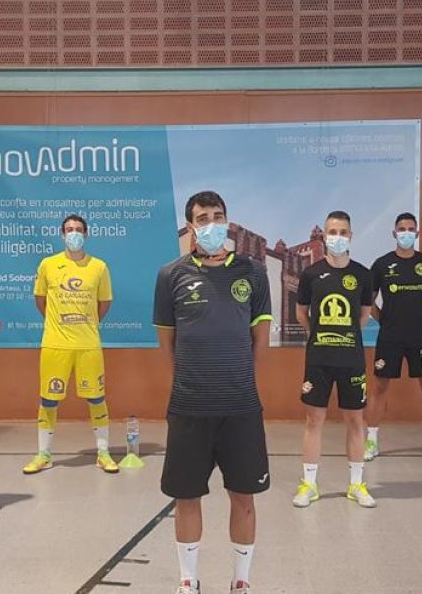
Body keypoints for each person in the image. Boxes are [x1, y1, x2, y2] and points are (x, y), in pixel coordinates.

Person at [154, 191, 272, 594]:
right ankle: (189, 581)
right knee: (186, 498)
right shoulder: (171, 274)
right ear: (190, 226)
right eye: (202, 218)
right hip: (189, 407)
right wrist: (191, 378)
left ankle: (241, 582)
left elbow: (260, 339)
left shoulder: (254, 272)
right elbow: (168, 342)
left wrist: (236, 376)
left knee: (244, 498)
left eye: (217, 216)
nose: (211, 224)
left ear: (228, 221)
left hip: (240, 407)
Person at [292, 211, 376, 509]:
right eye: (332, 231)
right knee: (314, 420)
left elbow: (364, 314)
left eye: (342, 232)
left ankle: (356, 484)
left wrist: (345, 335)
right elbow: (302, 312)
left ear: (350, 236)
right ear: (324, 235)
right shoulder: (311, 274)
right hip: (318, 359)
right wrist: (319, 335)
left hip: (351, 359)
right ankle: (309, 485)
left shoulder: (363, 275)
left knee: (355, 420)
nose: (336, 237)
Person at [22, 214, 118, 474]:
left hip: (89, 346)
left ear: (85, 235)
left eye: (78, 229)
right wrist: (58, 325)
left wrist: (86, 325)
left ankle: (103, 453)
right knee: (48, 400)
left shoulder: (99, 267)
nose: (73, 233)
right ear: (62, 235)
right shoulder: (48, 265)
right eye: (69, 229)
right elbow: (40, 299)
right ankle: (44, 455)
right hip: (55, 345)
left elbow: (105, 303)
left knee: (96, 398)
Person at [364, 212, 422, 462]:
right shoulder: (382, 264)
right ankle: (371, 442)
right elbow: (369, 300)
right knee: (380, 387)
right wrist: (383, 319)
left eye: (410, 229)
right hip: (390, 337)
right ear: (394, 233)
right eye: (401, 229)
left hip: (420, 336)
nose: (406, 232)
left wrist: (416, 314)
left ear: (417, 233)